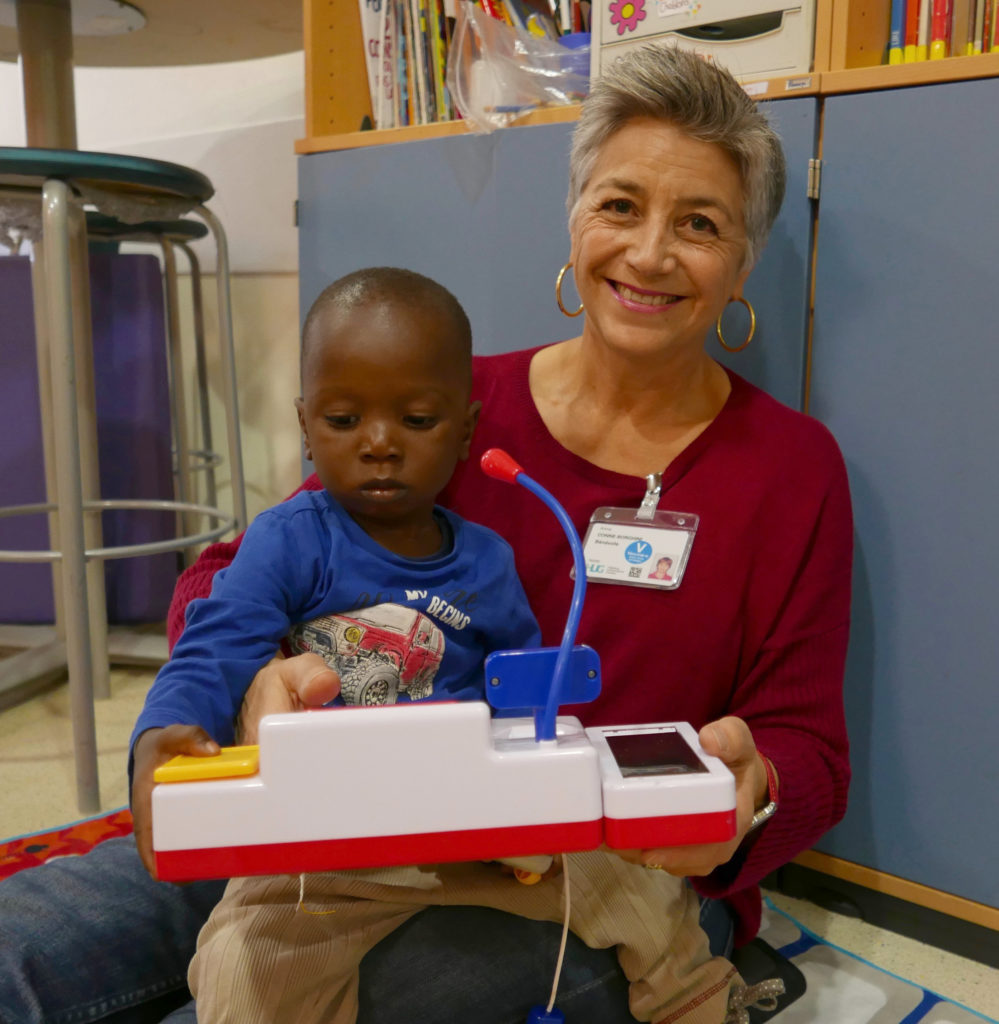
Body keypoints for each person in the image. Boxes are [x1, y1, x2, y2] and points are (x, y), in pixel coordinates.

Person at [0, 44, 852, 1024]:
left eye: (699, 224)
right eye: (621, 205)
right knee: (25, 944)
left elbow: (809, 747)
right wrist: (246, 685)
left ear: (743, 261)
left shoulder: (790, 470)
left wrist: (756, 791)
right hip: (322, 822)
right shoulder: (437, 401)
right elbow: (248, 569)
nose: (651, 251)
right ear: (574, 219)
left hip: (588, 882)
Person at [134, 265, 747, 1024]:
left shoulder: (487, 561)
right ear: (303, 423)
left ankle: (697, 1002)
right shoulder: (287, 541)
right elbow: (216, 643)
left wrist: (534, 797)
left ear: (464, 430)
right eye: (342, 419)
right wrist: (163, 732)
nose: (380, 445)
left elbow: (525, 702)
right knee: (236, 966)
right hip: (322, 847)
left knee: (642, 889)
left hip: (474, 834)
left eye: (416, 422)